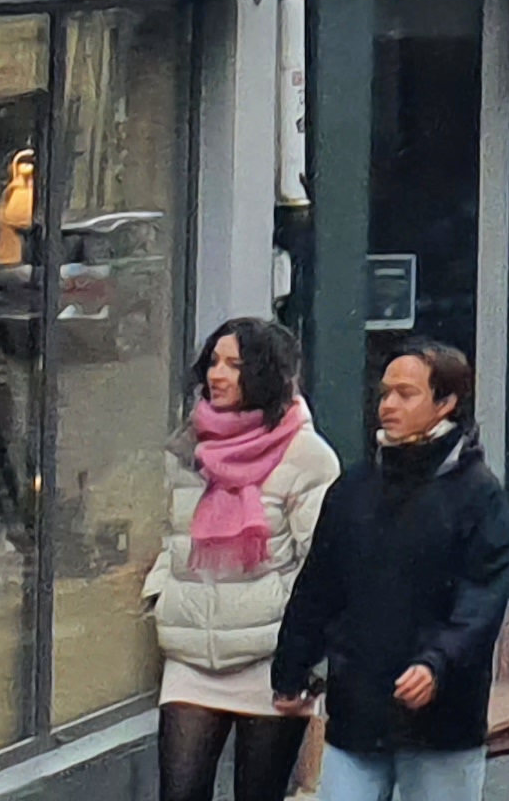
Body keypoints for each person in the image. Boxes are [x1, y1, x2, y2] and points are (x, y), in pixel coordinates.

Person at [271, 342, 509, 801]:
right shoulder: (354, 489)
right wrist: (291, 666)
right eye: (385, 393)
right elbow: (318, 586)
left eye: (406, 393)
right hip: (357, 710)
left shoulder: (478, 495)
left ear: (446, 403)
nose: (388, 405)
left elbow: (482, 599)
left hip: (441, 721)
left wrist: (436, 663)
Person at [143, 317, 341, 801]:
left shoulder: (307, 456)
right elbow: (170, 535)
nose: (218, 374)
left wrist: (306, 659)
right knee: (180, 793)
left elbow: (320, 565)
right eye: (213, 362)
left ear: (265, 373)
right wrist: (159, 594)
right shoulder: (187, 448)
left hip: (268, 660)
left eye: (234, 364)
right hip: (191, 657)